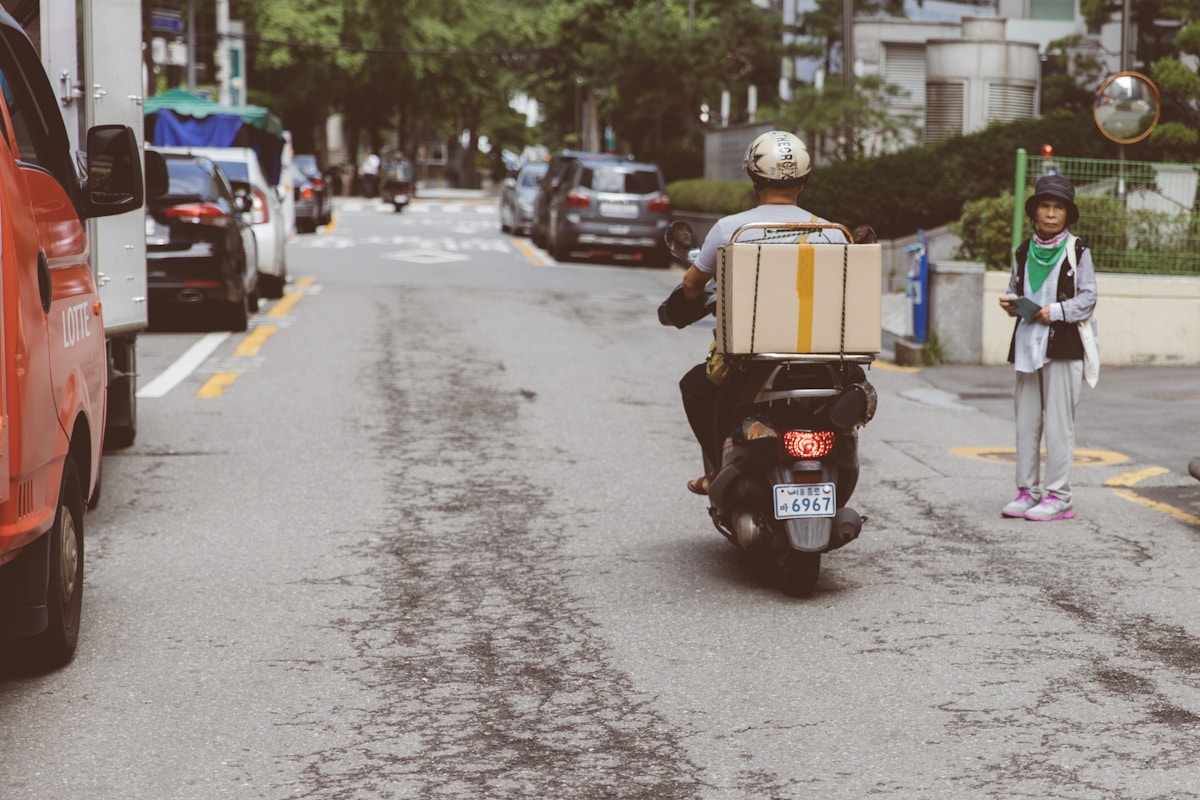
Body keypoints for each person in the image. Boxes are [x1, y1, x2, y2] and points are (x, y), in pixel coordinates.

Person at [678, 130, 848, 495]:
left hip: (751, 359)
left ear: (754, 178)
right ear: (804, 180)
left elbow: (692, 285)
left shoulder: (731, 229)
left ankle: (715, 470)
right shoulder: (832, 233)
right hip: (820, 357)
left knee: (695, 387)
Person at [998, 174, 1097, 521]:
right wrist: (1011, 302)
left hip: (1063, 346)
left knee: (1058, 425)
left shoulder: (1078, 250)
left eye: (1058, 207)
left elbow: (1089, 297)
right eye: (1045, 206)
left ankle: (1059, 496)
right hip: (1027, 344)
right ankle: (1027, 491)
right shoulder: (1024, 250)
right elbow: (1014, 285)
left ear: (1067, 215)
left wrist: (1055, 311)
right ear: (1035, 212)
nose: (1051, 213)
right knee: (1026, 423)